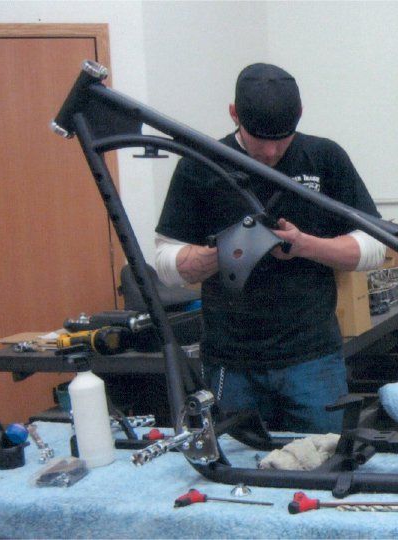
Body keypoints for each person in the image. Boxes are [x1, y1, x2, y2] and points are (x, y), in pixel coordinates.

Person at [154, 63, 386, 433]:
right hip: (231, 363)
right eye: (260, 138)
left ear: (300, 116)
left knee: (326, 466)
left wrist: (307, 246)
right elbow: (165, 261)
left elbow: (375, 246)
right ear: (234, 114)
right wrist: (224, 254)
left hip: (312, 360)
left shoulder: (325, 158)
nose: (272, 150)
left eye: (283, 137)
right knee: (237, 469)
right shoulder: (200, 165)